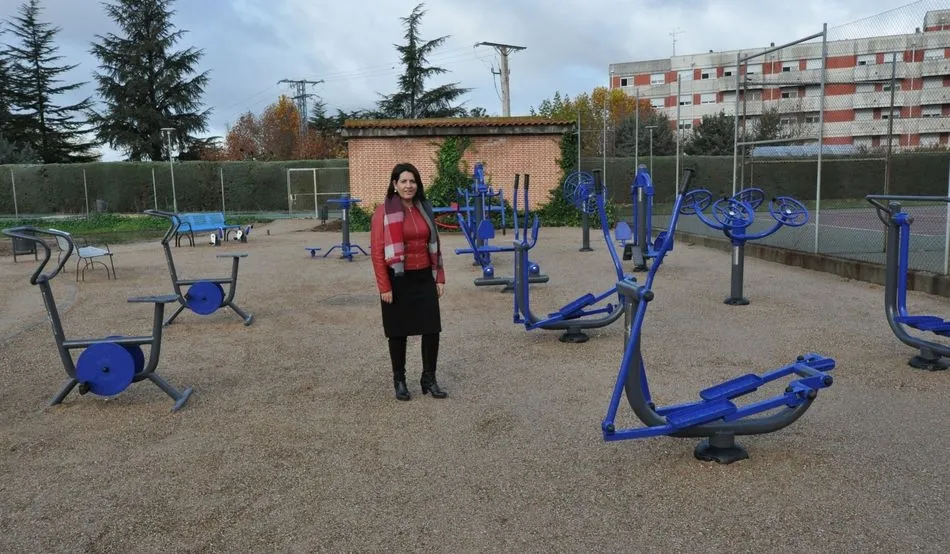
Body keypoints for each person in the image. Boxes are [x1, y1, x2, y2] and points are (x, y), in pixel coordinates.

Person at [370, 162, 447, 401]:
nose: (408, 185)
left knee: (432, 328)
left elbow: (435, 244)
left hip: (423, 275)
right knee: (397, 331)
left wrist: (439, 276)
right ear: (394, 184)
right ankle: (400, 380)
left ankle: (429, 378)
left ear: (418, 184)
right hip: (397, 277)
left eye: (412, 181)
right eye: (403, 181)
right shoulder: (382, 212)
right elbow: (377, 252)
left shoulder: (424, 208)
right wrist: (384, 286)